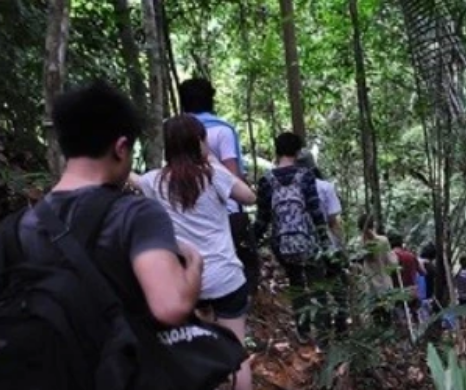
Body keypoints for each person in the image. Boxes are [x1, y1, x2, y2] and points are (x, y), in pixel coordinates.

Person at [0, 81, 203, 387]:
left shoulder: (14, 228)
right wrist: (194, 265)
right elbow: (170, 307)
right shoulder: (137, 214)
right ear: (121, 148)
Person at [133, 115, 256, 390]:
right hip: (225, 276)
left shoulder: (155, 181)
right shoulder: (214, 175)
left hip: (188, 281)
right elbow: (249, 197)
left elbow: (132, 179)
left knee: (199, 349)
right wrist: (212, 161)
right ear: (199, 142)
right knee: (236, 350)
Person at [179, 78, 260, 296]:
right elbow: (231, 174)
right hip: (226, 211)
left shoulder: (174, 129)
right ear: (211, 100)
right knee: (240, 268)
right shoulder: (222, 130)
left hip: (186, 211)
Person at [253, 132, 331, 344]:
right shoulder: (305, 175)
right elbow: (315, 211)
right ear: (297, 152)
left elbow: (262, 219)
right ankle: (323, 335)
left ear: (277, 151)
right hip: (308, 240)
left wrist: (249, 241)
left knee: (296, 284)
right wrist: (326, 241)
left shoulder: (266, 180)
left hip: (282, 243)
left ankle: (303, 332)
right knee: (317, 284)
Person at [297, 150, 348, 335]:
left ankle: (324, 334)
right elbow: (334, 222)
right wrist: (342, 248)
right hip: (329, 245)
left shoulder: (294, 189)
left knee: (318, 291)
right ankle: (342, 329)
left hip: (306, 246)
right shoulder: (325, 187)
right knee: (338, 289)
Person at [357, 214, 397, 326]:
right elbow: (392, 262)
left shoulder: (360, 243)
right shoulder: (383, 240)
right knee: (387, 317)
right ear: (373, 224)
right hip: (384, 283)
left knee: (376, 318)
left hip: (370, 286)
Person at [389, 233, 424, 323]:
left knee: (401, 321)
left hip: (398, 293)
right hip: (413, 292)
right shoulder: (410, 255)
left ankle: (404, 335)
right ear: (401, 242)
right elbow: (423, 272)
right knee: (415, 318)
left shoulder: (391, 256)